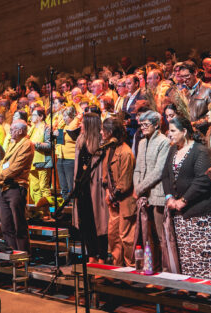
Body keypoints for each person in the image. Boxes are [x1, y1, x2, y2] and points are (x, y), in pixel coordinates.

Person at [162, 116, 211, 280]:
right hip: (182, 214)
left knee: (205, 253)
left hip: (202, 211)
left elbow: (203, 180)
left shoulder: (200, 151)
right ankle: (192, 284)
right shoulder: (173, 150)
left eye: (173, 131)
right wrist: (169, 197)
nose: (169, 134)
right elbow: (165, 175)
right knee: (189, 254)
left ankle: (209, 286)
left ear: (184, 131)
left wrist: (183, 201)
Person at [133, 110, 171, 273]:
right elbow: (137, 169)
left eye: (146, 124)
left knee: (161, 236)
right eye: (141, 125)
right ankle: (152, 268)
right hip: (143, 195)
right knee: (148, 235)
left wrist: (141, 187)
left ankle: (166, 270)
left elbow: (159, 170)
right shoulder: (142, 142)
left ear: (156, 125)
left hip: (157, 193)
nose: (142, 128)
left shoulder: (164, 142)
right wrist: (137, 188)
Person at [72, 113, 109, 263]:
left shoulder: (101, 143)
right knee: (85, 221)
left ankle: (102, 255)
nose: (80, 125)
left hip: (95, 188)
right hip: (82, 188)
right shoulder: (80, 140)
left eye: (82, 123)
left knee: (98, 223)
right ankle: (91, 254)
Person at [0, 120, 35, 252]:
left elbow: (16, 167)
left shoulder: (27, 144)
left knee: (18, 225)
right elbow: (3, 163)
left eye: (12, 129)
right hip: (5, 187)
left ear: (21, 131)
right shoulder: (13, 143)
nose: (10, 132)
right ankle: (11, 252)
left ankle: (23, 254)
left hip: (17, 187)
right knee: (6, 225)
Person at [101, 116, 136, 266]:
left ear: (110, 132)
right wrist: (108, 193)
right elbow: (105, 174)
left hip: (125, 200)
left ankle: (130, 268)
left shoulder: (126, 152)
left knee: (126, 236)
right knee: (113, 235)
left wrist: (114, 195)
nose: (101, 133)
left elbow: (125, 181)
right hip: (113, 199)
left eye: (103, 130)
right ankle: (117, 266)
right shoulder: (109, 149)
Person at [28, 106, 53, 208]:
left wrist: (35, 144)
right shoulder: (32, 129)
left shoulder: (47, 128)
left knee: (44, 188)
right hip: (32, 161)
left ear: (41, 116)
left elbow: (49, 145)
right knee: (34, 188)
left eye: (34, 115)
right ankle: (40, 211)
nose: (31, 117)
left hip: (43, 161)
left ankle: (51, 212)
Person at [56, 106, 78, 200]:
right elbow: (60, 141)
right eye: (63, 116)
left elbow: (70, 131)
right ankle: (65, 205)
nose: (64, 118)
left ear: (72, 116)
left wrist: (60, 131)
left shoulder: (75, 124)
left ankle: (73, 206)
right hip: (61, 157)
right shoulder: (63, 126)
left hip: (70, 158)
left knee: (71, 185)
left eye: (66, 116)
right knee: (63, 186)